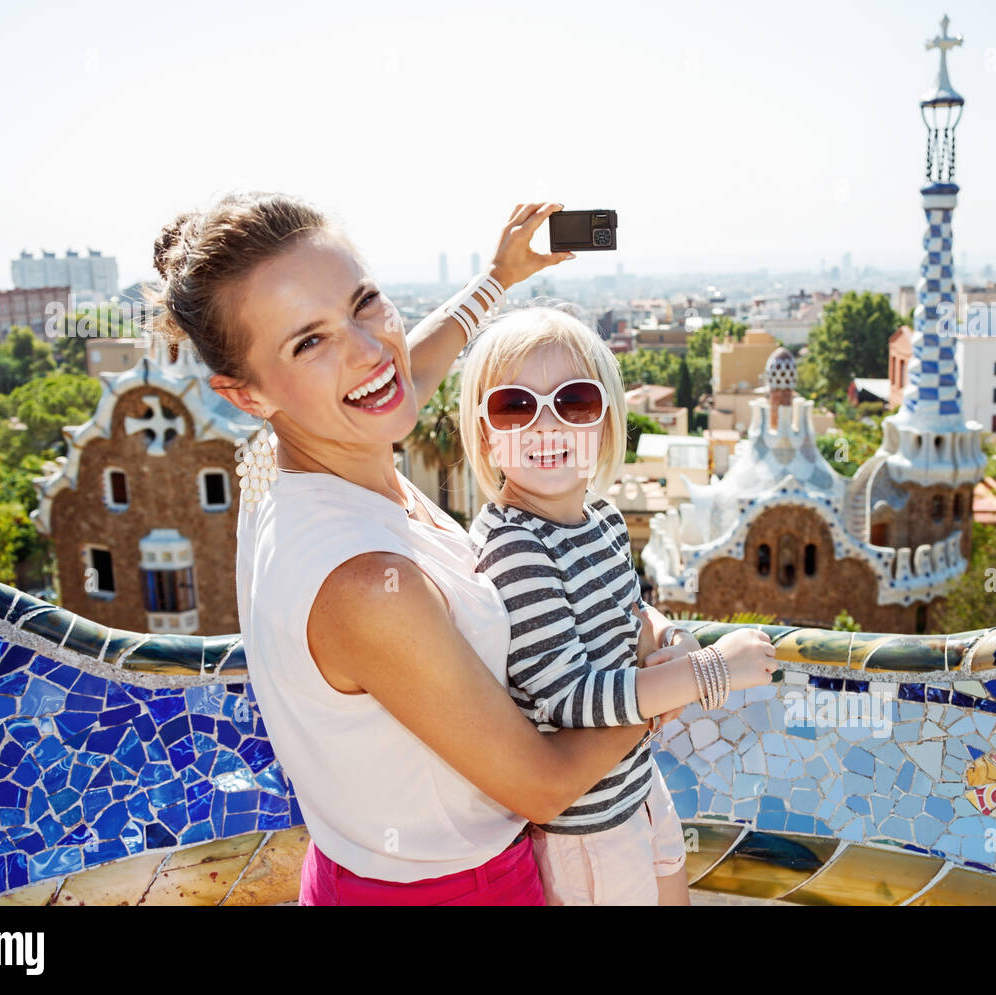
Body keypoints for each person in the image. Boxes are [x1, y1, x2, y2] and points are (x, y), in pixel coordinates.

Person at [150, 194, 683, 905]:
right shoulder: (366, 584)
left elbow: (400, 377)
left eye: (365, 301)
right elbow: (545, 785)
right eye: (308, 341)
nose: (369, 351)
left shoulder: (277, 458)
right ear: (245, 393)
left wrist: (498, 277)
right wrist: (671, 680)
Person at [461, 306, 779, 905]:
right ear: (484, 432)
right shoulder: (512, 546)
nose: (546, 424)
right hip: (585, 829)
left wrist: (670, 639)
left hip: (636, 784)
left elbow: (631, 613)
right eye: (515, 405)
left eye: (574, 401)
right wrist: (710, 672)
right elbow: (571, 697)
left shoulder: (602, 519)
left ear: (606, 422)